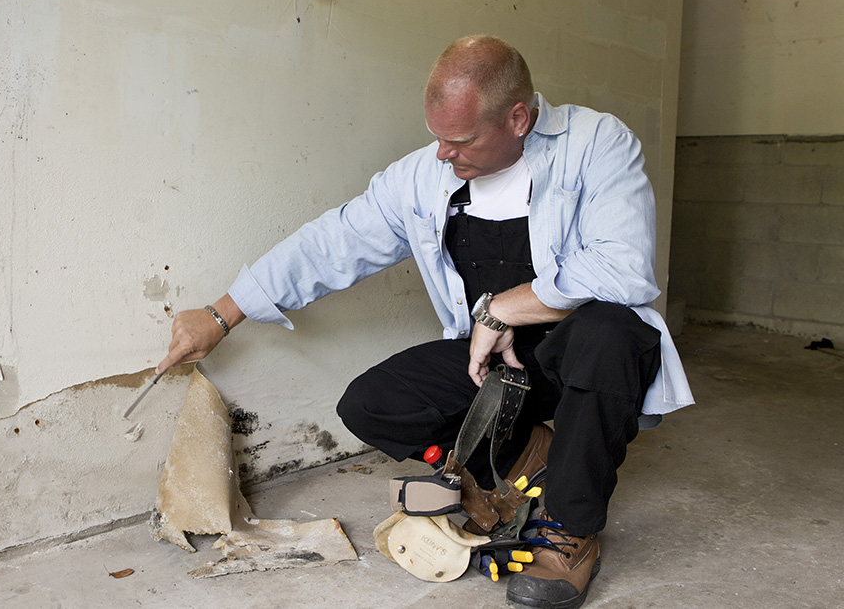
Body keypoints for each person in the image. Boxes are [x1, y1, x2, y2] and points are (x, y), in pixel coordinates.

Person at [157, 35, 693, 608]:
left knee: (608, 332)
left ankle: (569, 531)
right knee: (370, 403)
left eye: (459, 140)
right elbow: (333, 242)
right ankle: (526, 458)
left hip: (588, 362)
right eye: (437, 136)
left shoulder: (597, 144)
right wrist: (222, 313)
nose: (442, 153)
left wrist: (503, 307)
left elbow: (624, 268)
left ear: (517, 118)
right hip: (497, 367)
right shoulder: (422, 177)